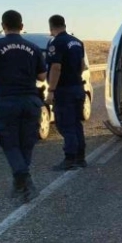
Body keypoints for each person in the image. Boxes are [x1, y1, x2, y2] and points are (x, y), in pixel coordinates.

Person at [0, 10, 47, 202]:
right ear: (22, 26)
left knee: (9, 143)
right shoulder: (33, 48)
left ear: (3, 26)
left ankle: (23, 179)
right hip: (30, 101)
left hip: (8, 101)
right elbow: (42, 76)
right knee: (26, 143)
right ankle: (22, 183)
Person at [45, 15, 87, 170]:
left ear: (51, 27)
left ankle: (69, 159)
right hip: (77, 88)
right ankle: (80, 158)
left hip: (64, 90)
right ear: (64, 24)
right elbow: (82, 65)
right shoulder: (77, 42)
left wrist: (51, 90)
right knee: (76, 123)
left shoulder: (57, 43)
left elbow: (56, 67)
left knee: (65, 124)